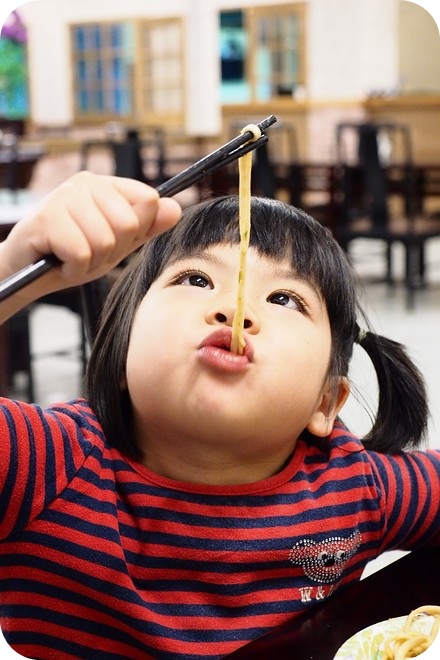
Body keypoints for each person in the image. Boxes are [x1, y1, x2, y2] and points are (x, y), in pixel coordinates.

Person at [0, 171, 439, 660]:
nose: (235, 308)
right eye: (196, 278)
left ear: (324, 404)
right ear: (121, 351)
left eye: (284, 299)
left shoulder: (354, 489)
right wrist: (12, 267)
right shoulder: (45, 463)